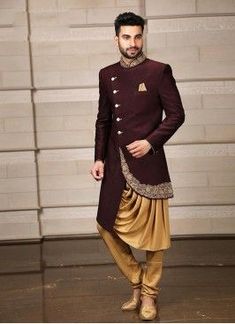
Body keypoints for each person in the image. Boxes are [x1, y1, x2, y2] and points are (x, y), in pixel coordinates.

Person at [90, 12, 185, 321]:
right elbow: (103, 120)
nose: (133, 43)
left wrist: (151, 142)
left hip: (149, 163)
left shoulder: (159, 71)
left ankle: (149, 296)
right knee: (105, 225)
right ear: (116, 38)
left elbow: (176, 115)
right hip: (117, 165)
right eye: (127, 37)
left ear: (143, 37)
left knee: (156, 238)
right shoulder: (106, 74)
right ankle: (136, 279)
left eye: (138, 36)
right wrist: (99, 158)